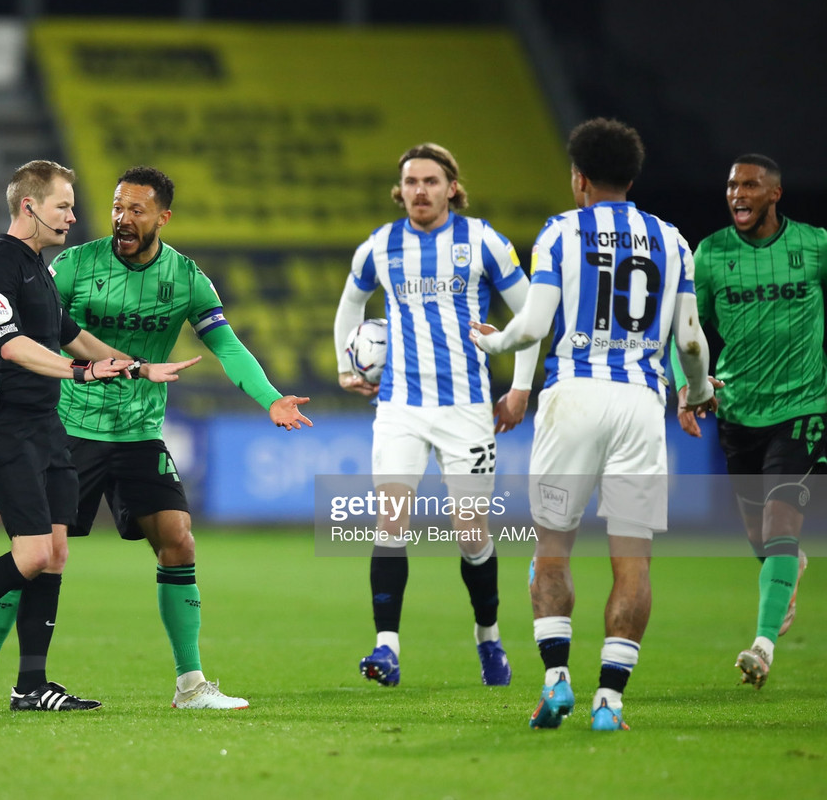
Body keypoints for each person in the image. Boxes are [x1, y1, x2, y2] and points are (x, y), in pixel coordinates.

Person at [0, 165, 311, 711]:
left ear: (163, 217)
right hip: (68, 426)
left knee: (179, 540)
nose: (122, 218)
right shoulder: (74, 263)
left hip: (139, 432)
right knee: (36, 554)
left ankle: (190, 686)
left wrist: (271, 398)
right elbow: (38, 329)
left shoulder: (187, 279)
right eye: (118, 207)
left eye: (136, 210)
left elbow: (227, 346)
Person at [0, 160, 197, 712]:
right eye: (62, 206)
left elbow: (75, 336)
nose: (73, 216)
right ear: (29, 207)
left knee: (55, 553)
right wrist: (79, 373)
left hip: (47, 428)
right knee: (34, 553)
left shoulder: (38, 270)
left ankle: (31, 685)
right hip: (6, 427)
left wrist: (137, 367)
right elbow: (12, 346)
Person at [471, 117, 718, 730]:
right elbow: (689, 338)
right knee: (633, 561)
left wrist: (495, 338)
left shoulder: (561, 232)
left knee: (552, 548)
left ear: (578, 178)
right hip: (640, 403)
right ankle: (610, 701)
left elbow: (532, 327)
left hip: (574, 397)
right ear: (631, 177)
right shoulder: (673, 240)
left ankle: (557, 683)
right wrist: (697, 391)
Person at [333, 143, 537, 690]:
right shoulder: (381, 246)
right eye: (410, 181)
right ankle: (386, 648)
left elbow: (531, 314)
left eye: (431, 180)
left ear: (452, 187)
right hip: (399, 405)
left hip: (467, 408)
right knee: (390, 521)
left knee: (471, 531)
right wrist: (344, 364)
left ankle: (489, 637)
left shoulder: (483, 241)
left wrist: (519, 389)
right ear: (399, 191)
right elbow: (351, 305)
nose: (420, 190)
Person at [673, 154, 821, 689]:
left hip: (804, 408)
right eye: (732, 184)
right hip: (737, 412)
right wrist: (690, 390)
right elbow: (685, 327)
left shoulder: (814, 247)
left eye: (751, 185)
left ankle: (762, 645)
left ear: (775, 194)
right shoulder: (710, 255)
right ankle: (788, 568)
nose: (738, 193)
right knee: (763, 540)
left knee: (782, 523)